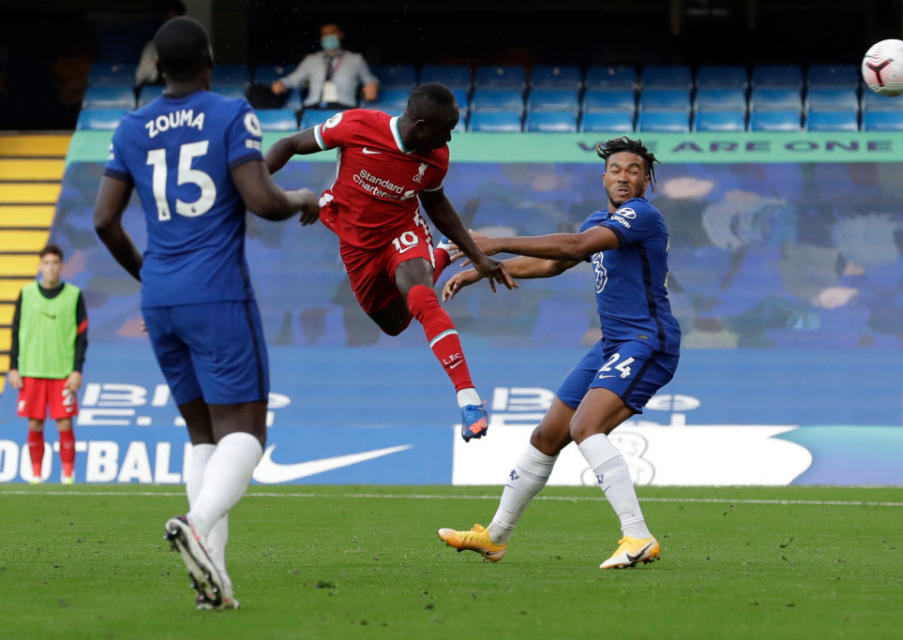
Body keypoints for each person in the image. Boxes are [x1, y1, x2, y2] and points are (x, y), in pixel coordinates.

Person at [93, 16, 320, 610]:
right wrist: (302, 197)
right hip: (215, 292)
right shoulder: (228, 113)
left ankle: (214, 577)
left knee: (202, 435)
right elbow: (262, 200)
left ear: (157, 67)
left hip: (160, 294)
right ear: (210, 59)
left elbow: (102, 221)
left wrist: (148, 275)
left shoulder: (131, 126)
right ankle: (197, 527)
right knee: (246, 430)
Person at [437, 136, 681, 569]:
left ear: (647, 181)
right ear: (604, 176)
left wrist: (498, 243)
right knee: (547, 435)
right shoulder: (597, 222)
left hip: (646, 340)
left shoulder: (641, 216)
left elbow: (574, 248)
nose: (624, 177)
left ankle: (638, 537)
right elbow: (554, 264)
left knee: (587, 427)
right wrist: (485, 269)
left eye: (634, 171)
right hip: (611, 344)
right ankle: (494, 537)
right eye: (616, 170)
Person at [265, 83, 516, 441]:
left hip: (403, 233)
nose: (449, 137)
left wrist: (478, 256)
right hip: (357, 243)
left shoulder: (437, 155)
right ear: (420, 124)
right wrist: (253, 184)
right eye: (446, 128)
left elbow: (436, 203)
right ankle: (442, 254)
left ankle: (468, 397)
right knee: (394, 322)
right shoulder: (356, 125)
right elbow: (289, 145)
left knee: (421, 299)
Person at [7, 245, 87, 485]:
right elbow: (15, 330)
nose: (51, 268)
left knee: (64, 422)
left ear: (61, 266)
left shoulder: (73, 295)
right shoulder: (26, 293)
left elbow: (82, 335)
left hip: (62, 371)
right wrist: (13, 367)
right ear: (40, 266)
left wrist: (76, 369)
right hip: (32, 369)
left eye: (55, 263)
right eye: (47, 263)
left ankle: (68, 474)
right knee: (34, 422)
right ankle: (36, 473)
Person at [270, 22, 378, 109]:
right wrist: (281, 83)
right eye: (325, 34)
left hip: (344, 107)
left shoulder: (356, 59)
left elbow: (370, 80)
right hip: (313, 106)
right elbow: (294, 79)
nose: (328, 37)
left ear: (341, 35)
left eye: (332, 33)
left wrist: (373, 86)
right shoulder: (311, 60)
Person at [134, 1, 186, 88]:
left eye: (175, 19)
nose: (171, 23)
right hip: (157, 91)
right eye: (168, 18)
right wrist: (159, 68)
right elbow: (140, 76)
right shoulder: (152, 46)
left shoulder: (193, 45)